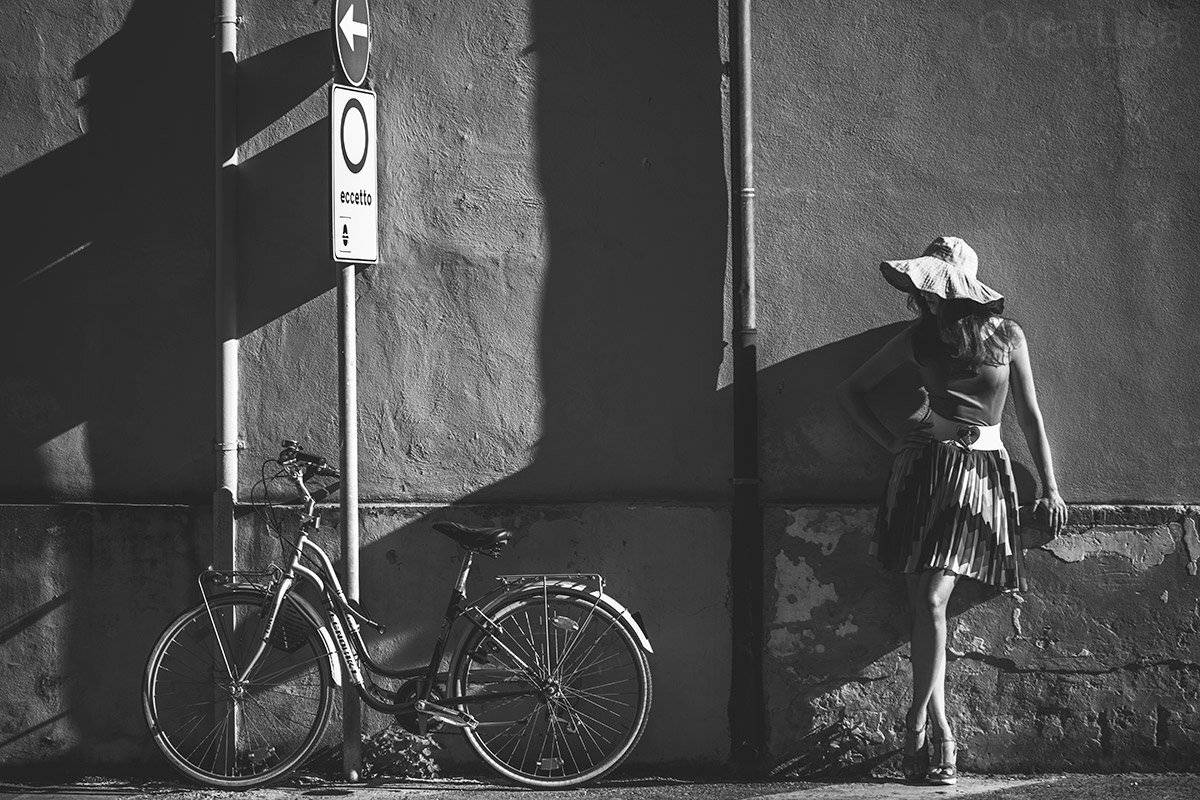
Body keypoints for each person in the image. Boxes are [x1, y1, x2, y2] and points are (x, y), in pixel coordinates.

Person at [835, 236, 1067, 786]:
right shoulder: (918, 338)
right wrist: (891, 443)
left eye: (938, 291)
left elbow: (1029, 417)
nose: (928, 300)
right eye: (926, 291)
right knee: (924, 600)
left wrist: (1050, 488)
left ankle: (918, 721)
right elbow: (853, 392)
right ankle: (941, 730)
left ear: (964, 293)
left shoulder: (1008, 337)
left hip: (983, 475)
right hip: (925, 471)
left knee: (933, 597)